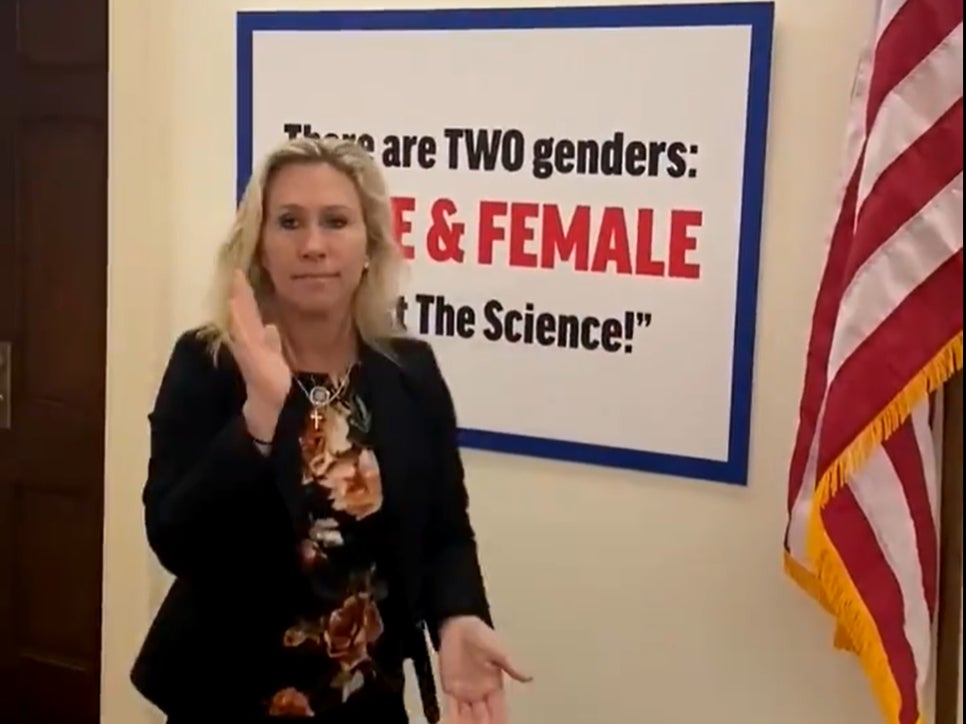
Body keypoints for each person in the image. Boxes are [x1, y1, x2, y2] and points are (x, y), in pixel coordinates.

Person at [130, 136, 530, 723]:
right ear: (260, 247)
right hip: (226, 698)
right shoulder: (209, 362)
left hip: (365, 699)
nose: (313, 245)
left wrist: (457, 616)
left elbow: (445, 526)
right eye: (289, 222)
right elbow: (176, 540)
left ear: (369, 244)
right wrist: (259, 419)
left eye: (336, 221)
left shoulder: (409, 371)